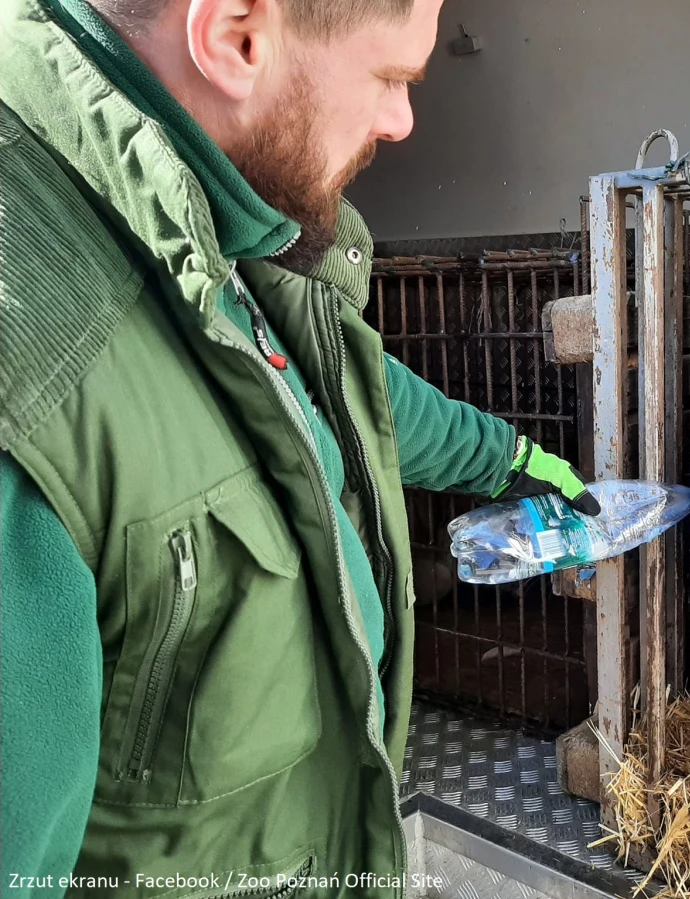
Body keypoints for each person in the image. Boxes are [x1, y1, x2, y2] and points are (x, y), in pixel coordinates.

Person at [0, 0, 600, 893]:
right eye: (392, 78)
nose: (403, 120)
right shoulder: (35, 382)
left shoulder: (213, 209)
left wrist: (511, 457)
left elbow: (348, 391)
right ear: (236, 37)